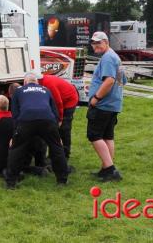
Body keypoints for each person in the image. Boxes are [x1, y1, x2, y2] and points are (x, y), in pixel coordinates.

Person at [4, 73, 69, 189]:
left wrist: (15, 134)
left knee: (17, 150)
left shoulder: (19, 91)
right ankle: (62, 180)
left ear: (25, 83)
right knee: (57, 148)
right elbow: (55, 111)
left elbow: (15, 114)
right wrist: (56, 133)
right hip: (47, 120)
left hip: (26, 120)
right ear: (37, 83)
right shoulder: (46, 90)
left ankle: (11, 183)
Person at [87, 31, 126, 182]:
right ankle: (105, 168)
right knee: (107, 136)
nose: (95, 46)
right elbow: (123, 81)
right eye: (93, 43)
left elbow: (109, 80)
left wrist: (96, 98)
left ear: (106, 42)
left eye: (98, 43)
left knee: (94, 135)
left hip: (103, 104)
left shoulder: (108, 58)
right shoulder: (114, 56)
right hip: (113, 103)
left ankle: (110, 170)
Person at [8, 83, 48, 176]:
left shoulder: (16, 101)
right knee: (40, 154)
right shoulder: (33, 96)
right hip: (43, 129)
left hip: (29, 132)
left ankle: (38, 169)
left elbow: (17, 121)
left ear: (11, 94)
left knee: (24, 162)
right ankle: (42, 167)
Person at [39, 74, 79, 161]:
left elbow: (58, 102)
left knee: (64, 128)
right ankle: (51, 154)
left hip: (69, 100)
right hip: (56, 102)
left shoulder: (48, 84)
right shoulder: (37, 83)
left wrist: (60, 119)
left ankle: (65, 155)